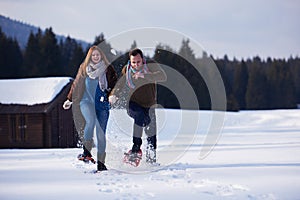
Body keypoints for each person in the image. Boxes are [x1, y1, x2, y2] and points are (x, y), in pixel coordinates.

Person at [63, 45, 118, 171]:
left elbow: (115, 84)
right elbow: (76, 84)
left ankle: (101, 163)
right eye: (93, 55)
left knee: (101, 133)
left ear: (101, 56)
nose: (95, 57)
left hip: (102, 103)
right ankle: (86, 152)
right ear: (90, 57)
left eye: (98, 55)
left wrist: (113, 95)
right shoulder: (84, 69)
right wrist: (69, 99)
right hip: (86, 101)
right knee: (90, 121)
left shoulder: (108, 69)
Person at [110, 48, 166, 163]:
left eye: (138, 62)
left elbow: (162, 76)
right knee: (139, 116)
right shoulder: (127, 70)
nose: (136, 65)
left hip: (150, 105)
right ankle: (135, 149)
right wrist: (114, 94)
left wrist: (145, 76)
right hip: (133, 104)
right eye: (133, 62)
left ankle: (151, 161)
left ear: (143, 60)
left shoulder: (150, 66)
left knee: (151, 134)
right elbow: (120, 84)